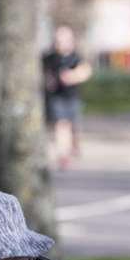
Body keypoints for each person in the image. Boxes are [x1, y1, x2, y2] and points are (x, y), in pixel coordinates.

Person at [43, 25, 92, 171]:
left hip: (72, 97)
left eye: (63, 40)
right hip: (56, 98)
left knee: (74, 126)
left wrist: (72, 76)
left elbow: (86, 71)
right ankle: (63, 155)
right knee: (61, 125)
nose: (60, 43)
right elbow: (44, 74)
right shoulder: (49, 58)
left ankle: (74, 145)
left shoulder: (75, 57)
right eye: (58, 40)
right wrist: (48, 81)